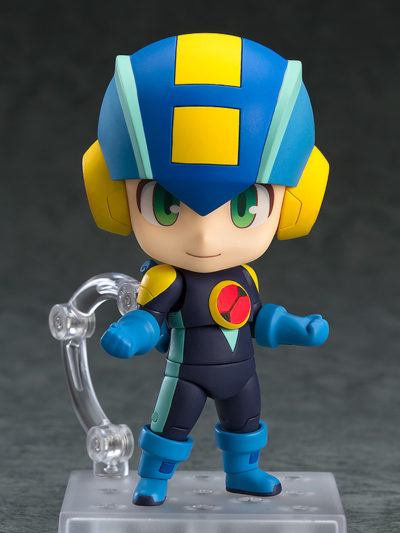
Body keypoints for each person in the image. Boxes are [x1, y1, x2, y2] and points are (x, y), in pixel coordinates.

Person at [82, 33, 330, 506]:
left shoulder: (244, 277)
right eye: (166, 205)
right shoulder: (167, 279)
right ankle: (154, 479)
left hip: (241, 371)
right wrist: (130, 334)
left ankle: (244, 471)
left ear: (298, 203)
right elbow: (150, 317)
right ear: (110, 197)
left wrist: (297, 328)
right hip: (187, 373)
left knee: (246, 421)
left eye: (243, 208)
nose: (205, 238)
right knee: (170, 425)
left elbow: (257, 318)